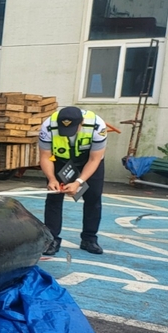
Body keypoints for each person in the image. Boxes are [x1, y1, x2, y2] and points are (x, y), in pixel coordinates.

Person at [38, 105, 108, 256]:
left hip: (88, 159)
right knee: (54, 196)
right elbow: (45, 156)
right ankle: (52, 239)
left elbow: (95, 159)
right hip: (60, 161)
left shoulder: (97, 125)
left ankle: (89, 239)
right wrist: (51, 178)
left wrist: (78, 182)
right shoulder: (48, 126)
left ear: (81, 123)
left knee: (93, 197)